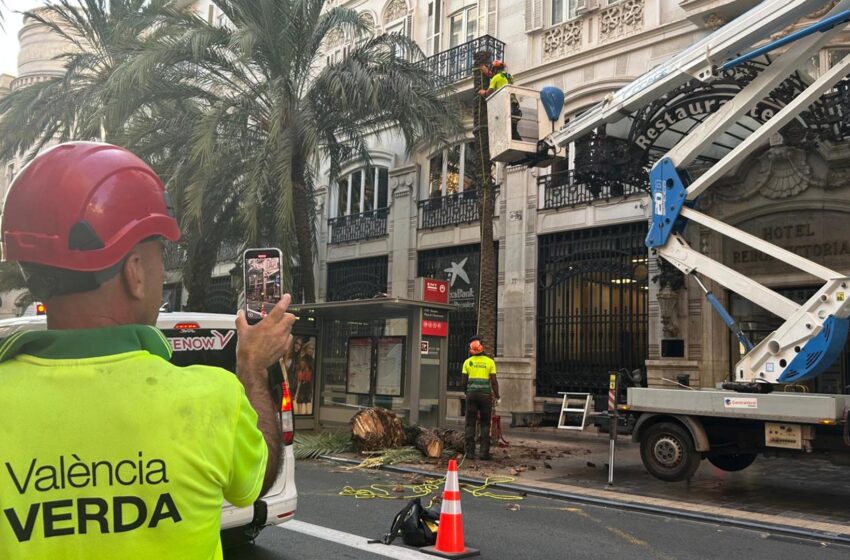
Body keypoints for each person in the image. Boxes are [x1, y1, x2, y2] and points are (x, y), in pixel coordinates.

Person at [0, 142, 295, 560]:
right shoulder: (211, 399)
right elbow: (255, 479)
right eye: (159, 253)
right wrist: (251, 365)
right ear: (135, 272)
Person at [462, 335, 500, 460]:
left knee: (470, 423)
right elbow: (494, 382)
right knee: (485, 424)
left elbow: (463, 382)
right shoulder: (489, 362)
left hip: (471, 395)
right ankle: (484, 453)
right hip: (485, 396)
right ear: (482, 347)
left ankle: (470, 453)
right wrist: (497, 396)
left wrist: (467, 392)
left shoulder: (467, 362)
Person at [481, 60, 522, 140]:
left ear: (495, 70)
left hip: (505, 106)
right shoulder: (510, 76)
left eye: (493, 70)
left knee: (503, 129)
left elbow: (489, 93)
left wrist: (483, 92)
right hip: (514, 106)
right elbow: (500, 78)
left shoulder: (496, 78)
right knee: (513, 131)